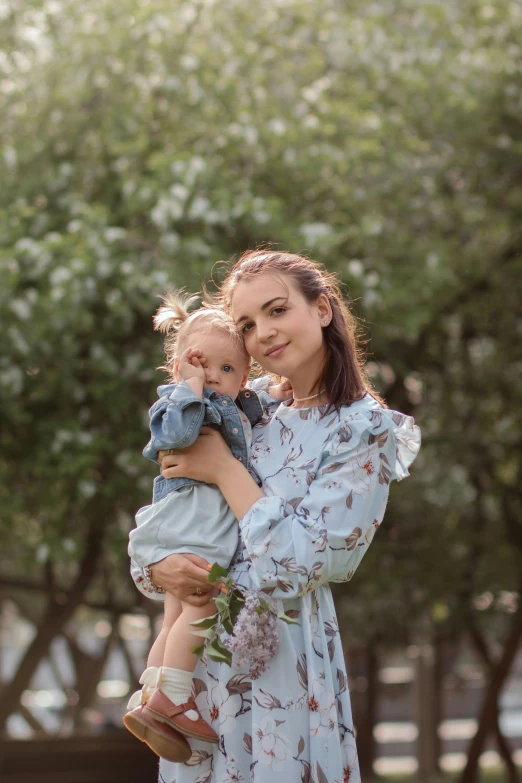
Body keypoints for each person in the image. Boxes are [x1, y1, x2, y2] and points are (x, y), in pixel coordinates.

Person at [130, 251, 421, 783]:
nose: (262, 332)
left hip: (281, 670)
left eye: (277, 310)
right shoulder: (243, 405)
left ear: (324, 309)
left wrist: (223, 469)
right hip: (191, 678)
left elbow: (298, 565)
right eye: (246, 324)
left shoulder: (362, 430)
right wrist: (156, 567)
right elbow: (173, 504)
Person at [124, 290, 288, 761]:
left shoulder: (236, 405)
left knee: (176, 615)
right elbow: (172, 437)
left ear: (245, 376)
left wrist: (276, 393)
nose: (215, 376)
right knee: (203, 605)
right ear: (178, 367)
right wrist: (191, 387)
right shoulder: (179, 404)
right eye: (202, 364)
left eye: (228, 370)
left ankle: (152, 694)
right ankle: (175, 698)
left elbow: (254, 412)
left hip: (191, 527)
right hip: (190, 526)